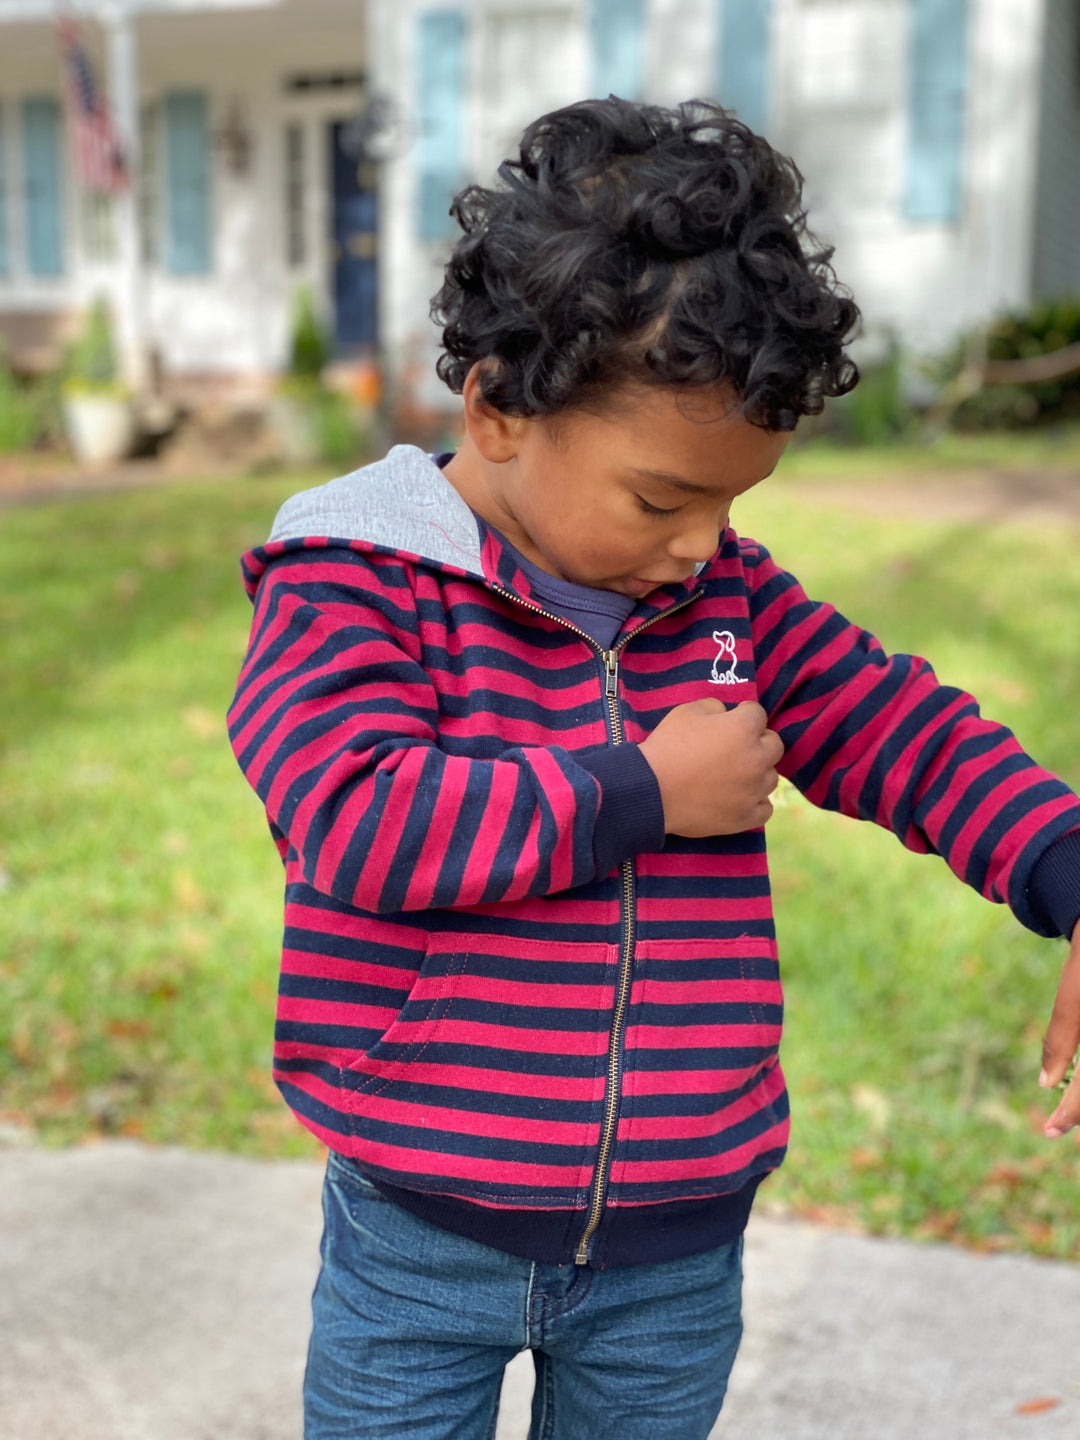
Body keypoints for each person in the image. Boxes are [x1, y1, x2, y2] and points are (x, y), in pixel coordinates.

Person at [228, 97, 1080, 1440]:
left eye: (733, 504)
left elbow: (896, 722)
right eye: (662, 500)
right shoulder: (359, 584)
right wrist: (641, 790)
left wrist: (1062, 864)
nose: (702, 545)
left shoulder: (724, 604)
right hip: (419, 1229)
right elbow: (355, 818)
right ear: (501, 408)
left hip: (676, 1248)